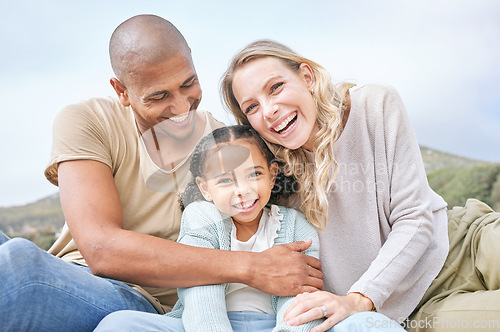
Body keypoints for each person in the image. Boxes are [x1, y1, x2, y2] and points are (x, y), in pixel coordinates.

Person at [0, 17, 323, 331]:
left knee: (19, 270)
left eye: (188, 84)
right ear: (121, 91)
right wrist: (253, 268)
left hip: (153, 300)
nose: (182, 107)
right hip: (78, 279)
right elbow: (101, 249)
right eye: (158, 96)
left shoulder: (226, 144)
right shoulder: (88, 120)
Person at [221, 39, 500, 332]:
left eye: (276, 87)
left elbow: (414, 217)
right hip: (412, 309)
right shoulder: (271, 183)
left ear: (307, 77)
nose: (269, 110)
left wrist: (357, 299)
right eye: (252, 107)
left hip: (463, 242)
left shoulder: (373, 105)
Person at [96, 125, 403, 332]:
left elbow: (297, 297)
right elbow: (202, 291)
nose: (242, 191)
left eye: (253, 174)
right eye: (225, 180)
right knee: (118, 325)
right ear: (205, 188)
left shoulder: (296, 224)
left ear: (272, 175)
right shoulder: (201, 217)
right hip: (202, 324)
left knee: (369, 325)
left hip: (276, 325)